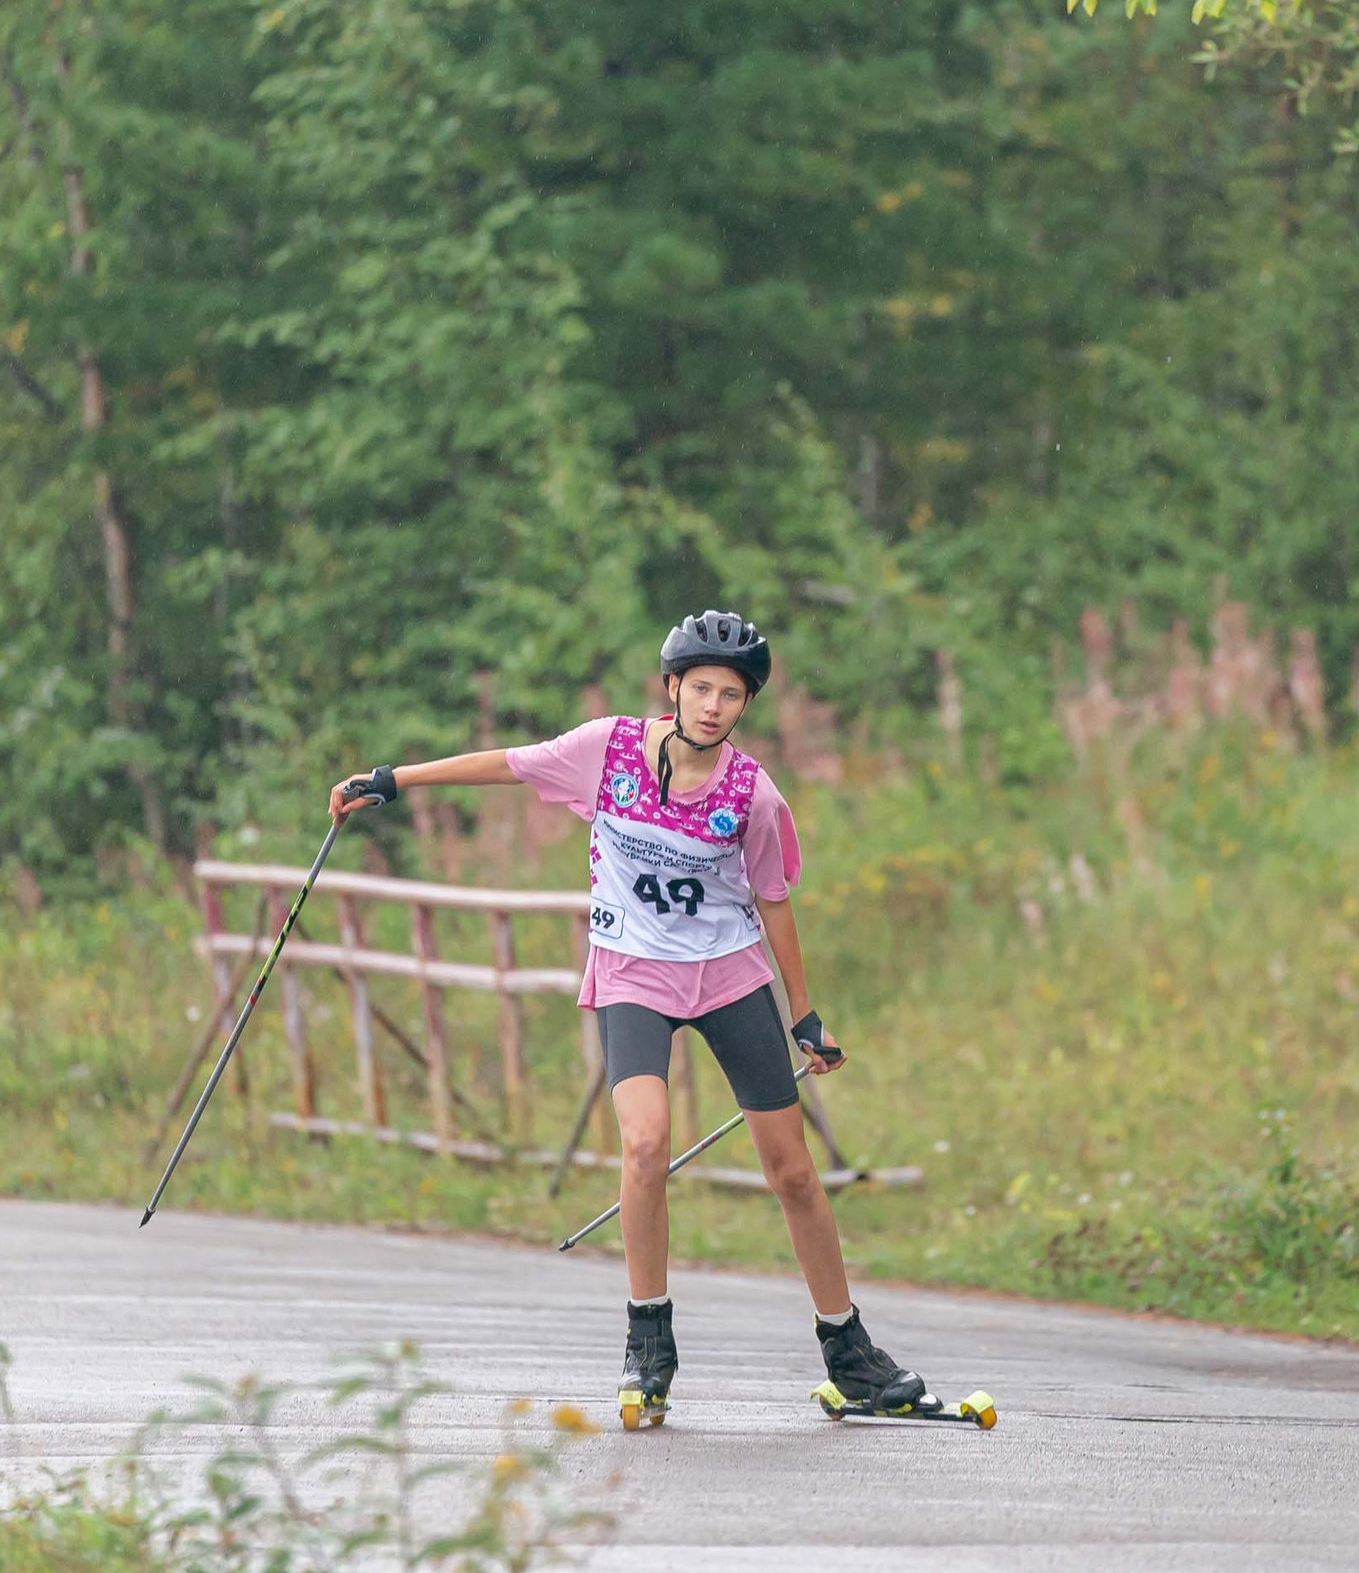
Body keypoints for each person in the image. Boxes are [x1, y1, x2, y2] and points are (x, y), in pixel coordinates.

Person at [329, 609, 927, 1428]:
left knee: (790, 1169)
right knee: (645, 1143)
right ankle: (650, 1340)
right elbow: (507, 763)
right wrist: (395, 779)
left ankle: (847, 1349)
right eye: (702, 688)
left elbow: (776, 901)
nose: (715, 706)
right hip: (632, 973)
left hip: (727, 977)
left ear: (746, 705)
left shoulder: (754, 795)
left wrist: (807, 1016)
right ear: (672, 687)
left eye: (733, 694)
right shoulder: (605, 751)